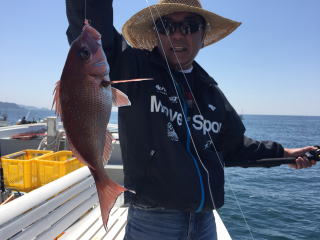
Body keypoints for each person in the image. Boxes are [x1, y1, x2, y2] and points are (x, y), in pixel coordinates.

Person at [66, 0, 317, 239]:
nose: (177, 35)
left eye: (189, 27)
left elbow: (234, 147)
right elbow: (88, 32)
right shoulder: (132, 66)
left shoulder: (211, 91)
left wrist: (285, 153)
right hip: (153, 220)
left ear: (202, 35)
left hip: (205, 219)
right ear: (155, 33)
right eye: (166, 26)